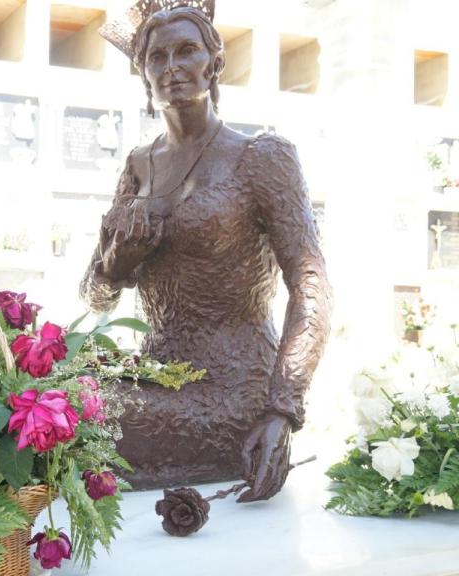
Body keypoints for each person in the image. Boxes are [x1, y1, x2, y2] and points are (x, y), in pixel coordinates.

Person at [84, 1, 331, 501]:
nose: (172, 67)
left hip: (235, 393)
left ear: (214, 63)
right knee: (48, 395)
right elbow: (95, 294)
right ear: (143, 72)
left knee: (72, 414)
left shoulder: (261, 156)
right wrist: (116, 266)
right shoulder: (138, 165)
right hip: (156, 377)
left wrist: (282, 410)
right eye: (157, 57)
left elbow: (312, 288)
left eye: (186, 51)